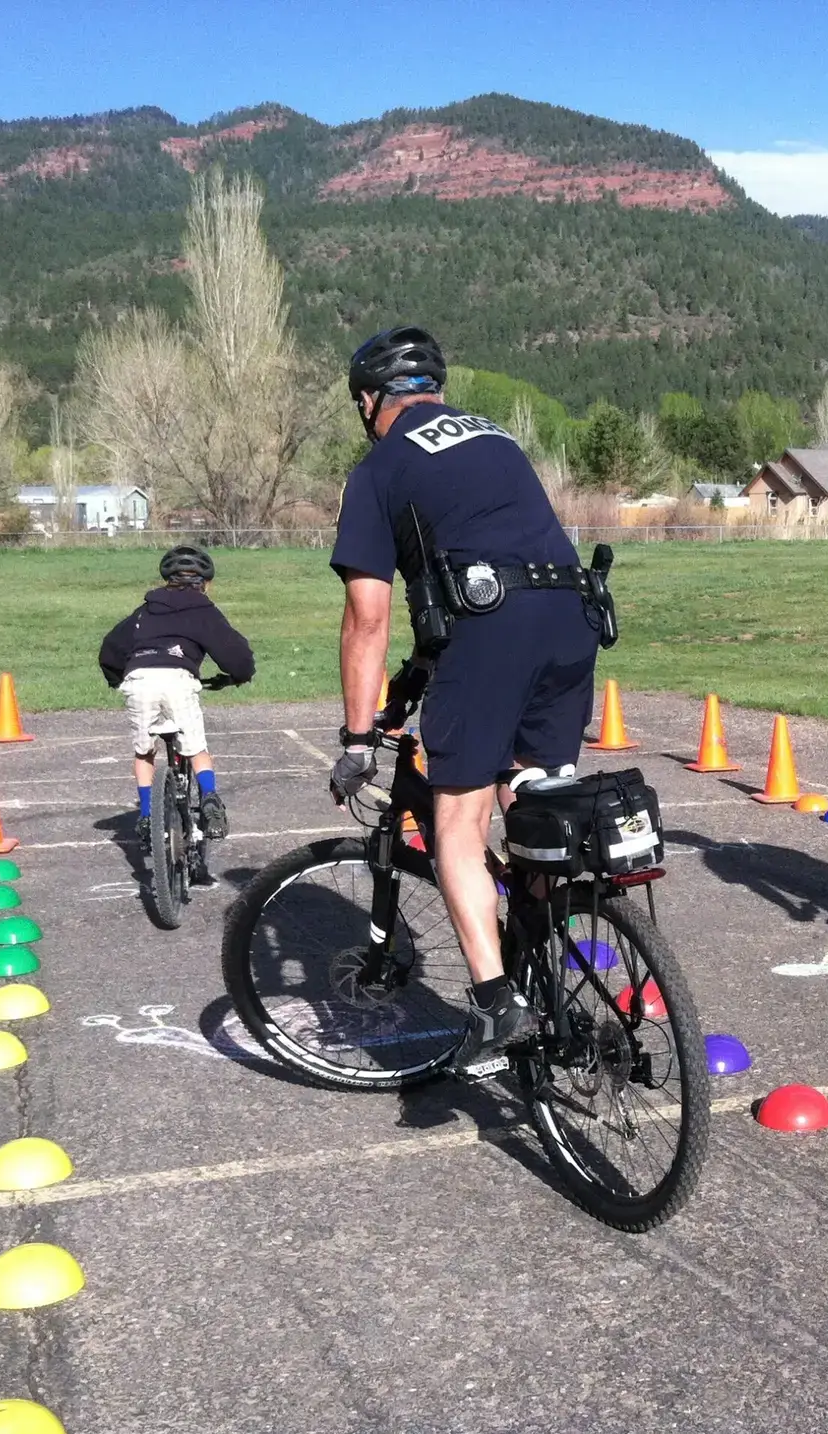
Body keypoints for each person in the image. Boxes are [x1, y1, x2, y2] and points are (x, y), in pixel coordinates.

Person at [327, 326, 601, 1076]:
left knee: (457, 820)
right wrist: (419, 676)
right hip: (573, 617)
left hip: (495, 629)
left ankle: (494, 1001)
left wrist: (357, 738)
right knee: (533, 798)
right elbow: (477, 566)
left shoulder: (380, 467)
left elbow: (367, 617)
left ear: (369, 401)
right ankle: (541, 958)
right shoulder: (496, 437)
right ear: (435, 391)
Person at [99, 545, 256, 850]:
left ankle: (147, 815)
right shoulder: (202, 610)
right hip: (177, 680)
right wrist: (238, 675)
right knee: (196, 748)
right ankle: (209, 800)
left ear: (167, 580)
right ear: (205, 583)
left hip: (139, 680)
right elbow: (234, 652)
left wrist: (116, 677)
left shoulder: (145, 611)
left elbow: (111, 648)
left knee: (144, 752)